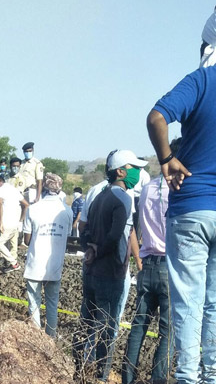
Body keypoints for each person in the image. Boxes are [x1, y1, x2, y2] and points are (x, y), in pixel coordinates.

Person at [146, 20, 216, 379]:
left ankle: (188, 378)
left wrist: (166, 158)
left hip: (192, 206)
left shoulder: (201, 81)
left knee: (188, 301)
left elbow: (157, 117)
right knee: (215, 304)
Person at [73, 150, 147, 383]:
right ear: (121, 171)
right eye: (133, 167)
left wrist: (90, 249)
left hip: (92, 270)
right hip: (111, 272)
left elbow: (83, 231)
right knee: (107, 329)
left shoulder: (98, 196)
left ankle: (79, 371)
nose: (137, 172)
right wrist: (100, 250)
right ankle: (101, 377)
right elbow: (116, 237)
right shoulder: (123, 198)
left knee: (87, 323)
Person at [122, 138, 180, 384]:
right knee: (167, 332)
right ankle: (158, 380)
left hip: (147, 265)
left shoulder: (147, 188)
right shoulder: (179, 190)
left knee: (138, 327)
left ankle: (127, 378)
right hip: (170, 266)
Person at [23, 173, 72, 337]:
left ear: (43, 187)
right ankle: (51, 337)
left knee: (34, 303)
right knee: (52, 303)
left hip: (35, 264)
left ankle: (36, 337)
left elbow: (27, 239)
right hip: (55, 265)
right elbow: (67, 234)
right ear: (60, 189)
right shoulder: (67, 211)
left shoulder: (33, 209)